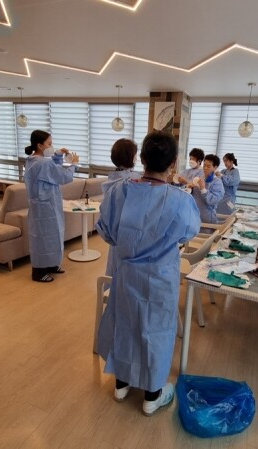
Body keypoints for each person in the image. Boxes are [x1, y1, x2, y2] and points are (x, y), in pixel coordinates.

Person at [95, 130, 201, 416]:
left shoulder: (119, 192)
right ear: (174, 163)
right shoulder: (180, 200)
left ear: (141, 159)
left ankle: (122, 383)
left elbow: (106, 231)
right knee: (156, 332)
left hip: (126, 273)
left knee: (126, 324)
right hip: (160, 277)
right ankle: (152, 395)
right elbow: (188, 232)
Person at [24, 130, 79, 283]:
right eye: (49, 144)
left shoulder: (32, 160)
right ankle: (38, 271)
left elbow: (52, 169)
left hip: (44, 203)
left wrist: (58, 154)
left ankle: (51, 264)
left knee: (53, 236)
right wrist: (74, 164)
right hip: (46, 205)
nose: (51, 146)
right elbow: (63, 176)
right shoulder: (43, 163)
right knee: (44, 238)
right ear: (40, 145)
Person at [101, 138, 141, 276]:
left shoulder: (112, 179)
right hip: (131, 232)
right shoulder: (133, 181)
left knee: (115, 266)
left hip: (115, 234)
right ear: (132, 157)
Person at [191, 154, 225, 232]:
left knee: (204, 237)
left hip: (207, 218)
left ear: (215, 167)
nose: (205, 168)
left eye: (208, 166)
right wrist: (190, 188)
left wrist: (203, 189)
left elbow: (212, 200)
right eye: (204, 165)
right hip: (195, 215)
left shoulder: (217, 183)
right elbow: (195, 196)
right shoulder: (200, 178)